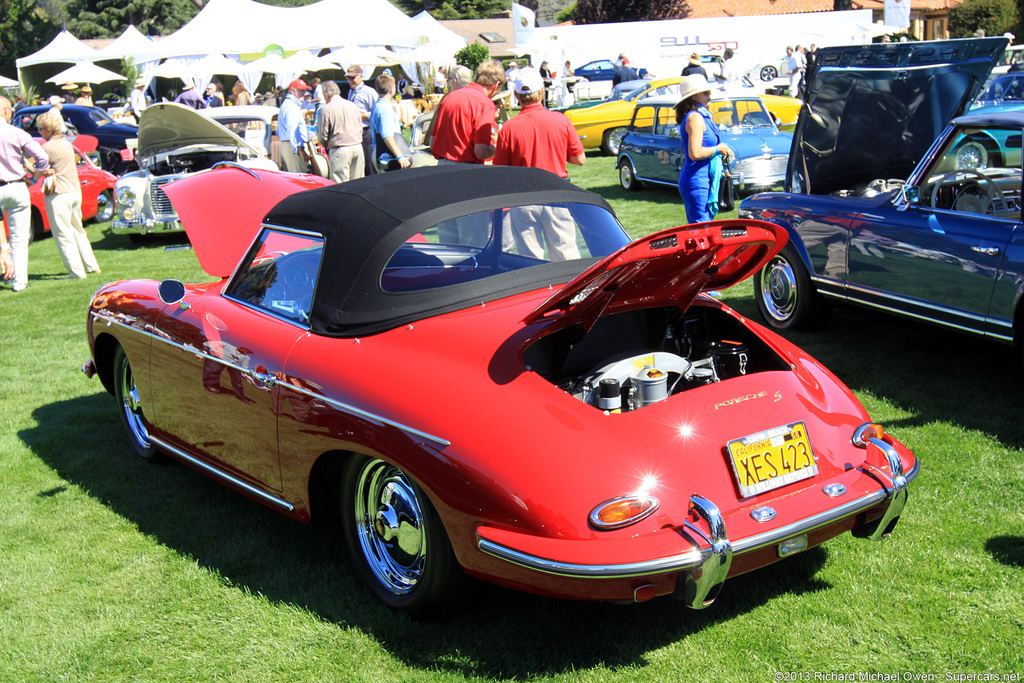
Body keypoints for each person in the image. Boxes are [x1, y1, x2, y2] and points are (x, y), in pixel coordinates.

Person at [493, 68, 586, 261]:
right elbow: (579, 159)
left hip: (523, 197)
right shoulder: (561, 120)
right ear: (542, 91)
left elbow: (500, 171)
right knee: (566, 255)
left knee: (530, 260)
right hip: (557, 193)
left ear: (517, 96)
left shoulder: (509, 128)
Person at [35, 111, 100, 280]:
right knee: (78, 230)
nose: (39, 132)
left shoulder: (46, 147)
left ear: (49, 130)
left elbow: (35, 172)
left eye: (41, 129)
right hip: (74, 191)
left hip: (58, 194)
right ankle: (92, 265)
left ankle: (76, 272)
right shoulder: (67, 144)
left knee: (63, 234)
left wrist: (37, 172)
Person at [0, 96, 49, 292]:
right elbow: (42, 156)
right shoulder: (15, 133)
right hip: (17, 185)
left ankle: (6, 268)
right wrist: (36, 177)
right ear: (5, 111)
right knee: (19, 238)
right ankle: (19, 281)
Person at [675, 74, 733, 224]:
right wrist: (718, 149)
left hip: (704, 178)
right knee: (701, 229)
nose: (709, 96)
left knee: (704, 227)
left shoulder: (702, 116)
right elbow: (695, 153)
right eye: (705, 93)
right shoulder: (695, 117)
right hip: (697, 180)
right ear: (693, 96)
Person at [430, 59, 506, 164]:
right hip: (466, 169)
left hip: (442, 166)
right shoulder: (485, 103)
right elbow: (481, 152)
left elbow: (432, 141)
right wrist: (496, 147)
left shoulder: (449, 97)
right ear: (497, 85)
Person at [316, 80, 364, 183]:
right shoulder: (352, 105)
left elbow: (322, 135)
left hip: (339, 149)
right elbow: (360, 127)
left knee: (341, 185)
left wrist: (325, 145)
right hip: (357, 146)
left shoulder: (326, 109)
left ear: (326, 94)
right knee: (359, 184)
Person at [369, 73, 411, 172]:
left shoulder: (378, 105)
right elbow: (386, 135)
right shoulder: (385, 109)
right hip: (386, 155)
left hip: (380, 152)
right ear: (392, 89)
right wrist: (400, 156)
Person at [346, 65, 378, 176]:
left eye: (353, 78)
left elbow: (376, 112)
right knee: (359, 165)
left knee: (369, 164)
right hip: (354, 132)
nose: (350, 81)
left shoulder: (369, 92)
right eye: (349, 78)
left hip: (366, 132)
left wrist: (359, 115)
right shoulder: (351, 92)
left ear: (361, 77)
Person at [278, 78, 311, 173]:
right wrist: (301, 149)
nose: (304, 93)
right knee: (300, 179)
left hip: (288, 145)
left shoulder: (288, 104)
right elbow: (294, 129)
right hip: (293, 147)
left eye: (305, 91)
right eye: (301, 90)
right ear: (292, 91)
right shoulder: (291, 106)